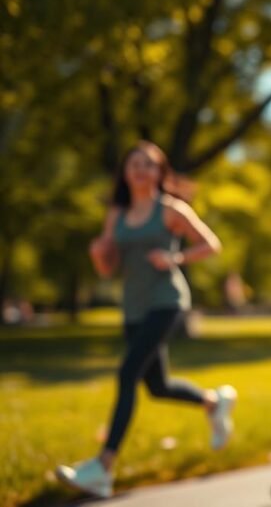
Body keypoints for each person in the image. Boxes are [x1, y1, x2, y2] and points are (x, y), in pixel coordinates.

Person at [55, 142, 236, 499]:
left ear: (159, 173)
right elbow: (109, 268)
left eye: (149, 165)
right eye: (134, 164)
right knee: (158, 386)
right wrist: (97, 256)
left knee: (127, 374)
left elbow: (211, 244)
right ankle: (215, 402)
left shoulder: (170, 209)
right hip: (133, 307)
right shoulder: (117, 214)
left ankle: (102, 468)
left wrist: (175, 258)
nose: (141, 170)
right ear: (125, 173)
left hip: (166, 301)